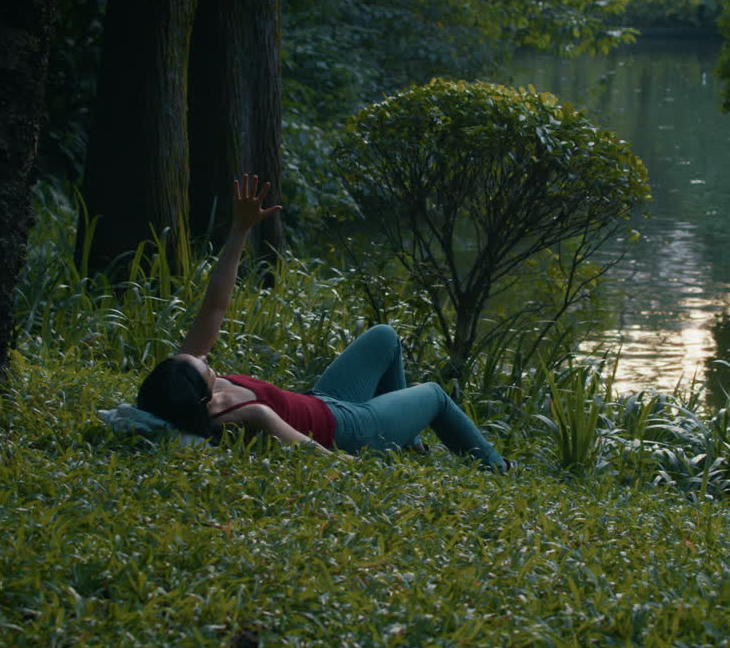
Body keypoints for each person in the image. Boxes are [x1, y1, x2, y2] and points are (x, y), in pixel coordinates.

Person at [134, 174, 509, 472]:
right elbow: (315, 452)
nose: (200, 356)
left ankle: (406, 441)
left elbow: (214, 307)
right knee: (435, 396)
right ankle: (497, 467)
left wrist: (239, 230)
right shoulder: (248, 415)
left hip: (324, 402)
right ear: (201, 395)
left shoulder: (184, 384)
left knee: (385, 337)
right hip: (353, 430)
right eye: (199, 365)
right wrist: (373, 472)